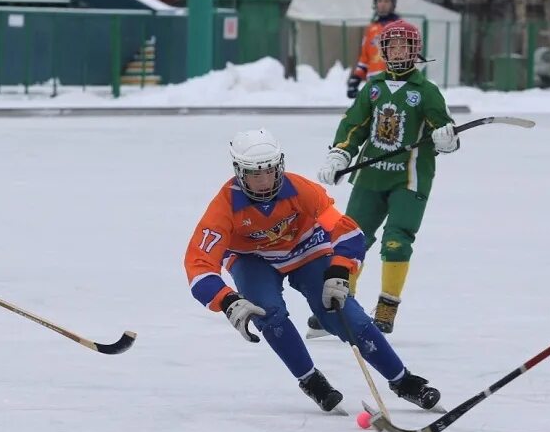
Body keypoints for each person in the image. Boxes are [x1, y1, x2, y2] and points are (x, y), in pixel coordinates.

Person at [183, 129, 442, 414]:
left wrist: (339, 272)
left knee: (345, 316)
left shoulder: (302, 190)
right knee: (266, 312)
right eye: (255, 174)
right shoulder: (224, 207)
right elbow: (199, 264)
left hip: (308, 249)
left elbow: (348, 233)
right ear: (239, 172)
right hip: (252, 259)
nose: (265, 181)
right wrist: (228, 301)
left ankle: (403, 381)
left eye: (270, 171)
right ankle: (310, 380)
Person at [312, 19, 459, 335]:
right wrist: (341, 153)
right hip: (369, 177)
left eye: (402, 45)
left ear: (414, 50)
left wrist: (447, 139)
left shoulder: (427, 92)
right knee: (350, 239)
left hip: (409, 180)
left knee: (396, 241)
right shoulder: (373, 88)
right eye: (390, 45)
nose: (396, 51)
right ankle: (343, 305)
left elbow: (443, 131)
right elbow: (354, 125)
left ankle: (386, 308)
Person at [345, 0, 401, 100]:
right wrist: (356, 77)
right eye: (379, 1)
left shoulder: (400, 27)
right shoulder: (371, 29)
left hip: (394, 82)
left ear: (393, 4)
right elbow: (365, 58)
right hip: (374, 83)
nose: (382, 4)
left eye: (386, 1)